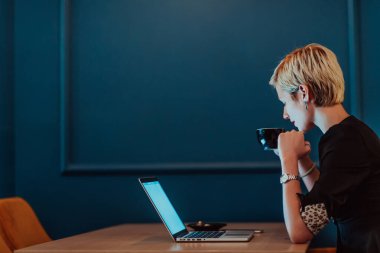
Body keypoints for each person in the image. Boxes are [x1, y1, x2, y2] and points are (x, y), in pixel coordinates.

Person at [268, 43, 380, 253]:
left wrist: (288, 161)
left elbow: (300, 231)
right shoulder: (345, 134)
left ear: (303, 92)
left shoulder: (346, 141)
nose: (284, 114)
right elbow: (323, 207)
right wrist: (302, 160)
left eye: (285, 102)